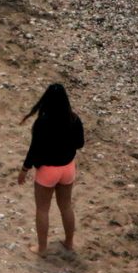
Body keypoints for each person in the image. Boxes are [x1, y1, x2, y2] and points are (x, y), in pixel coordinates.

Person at [18, 83, 85, 257]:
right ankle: (69, 242)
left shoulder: (43, 122)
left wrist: (24, 169)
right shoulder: (74, 119)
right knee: (66, 207)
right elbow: (80, 143)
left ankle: (42, 248)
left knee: (42, 209)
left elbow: (34, 149)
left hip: (48, 171)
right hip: (67, 169)